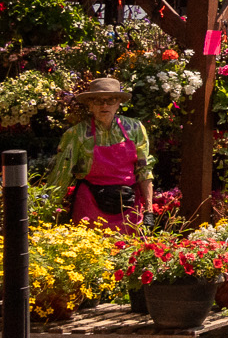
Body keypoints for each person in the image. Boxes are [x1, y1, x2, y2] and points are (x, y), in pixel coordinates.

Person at [48, 77, 154, 230]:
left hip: (128, 206)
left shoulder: (135, 128)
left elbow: (144, 170)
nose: (104, 105)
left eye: (110, 100)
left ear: (118, 103)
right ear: (90, 104)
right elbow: (61, 174)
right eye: (98, 101)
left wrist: (149, 211)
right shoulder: (77, 134)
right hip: (90, 205)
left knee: (130, 251)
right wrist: (49, 211)